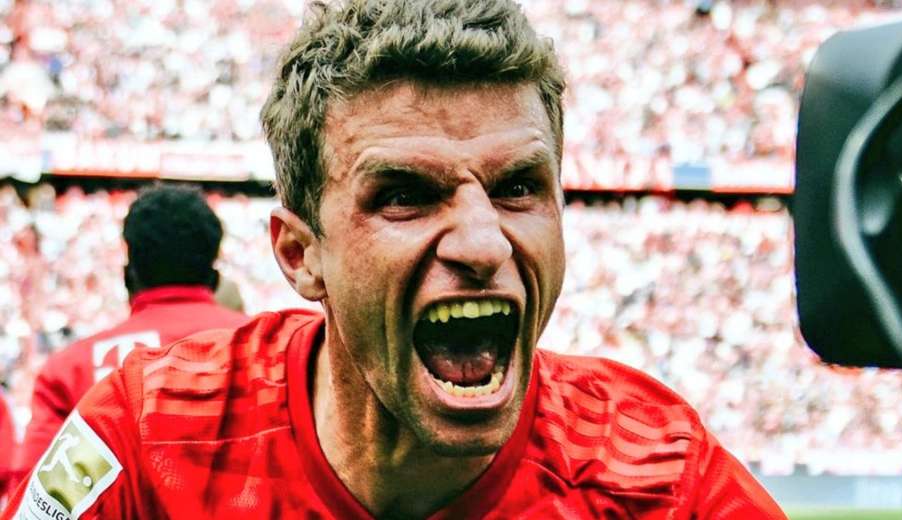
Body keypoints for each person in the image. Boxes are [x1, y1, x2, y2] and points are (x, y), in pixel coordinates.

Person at [3, 1, 785, 518]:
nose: (482, 243)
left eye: (518, 187)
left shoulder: (660, 476)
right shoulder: (143, 439)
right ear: (300, 255)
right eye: (406, 195)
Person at [9, 184, 249, 484]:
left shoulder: (69, 371)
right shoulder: (267, 345)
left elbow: (35, 496)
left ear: (128, 275)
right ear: (214, 278)